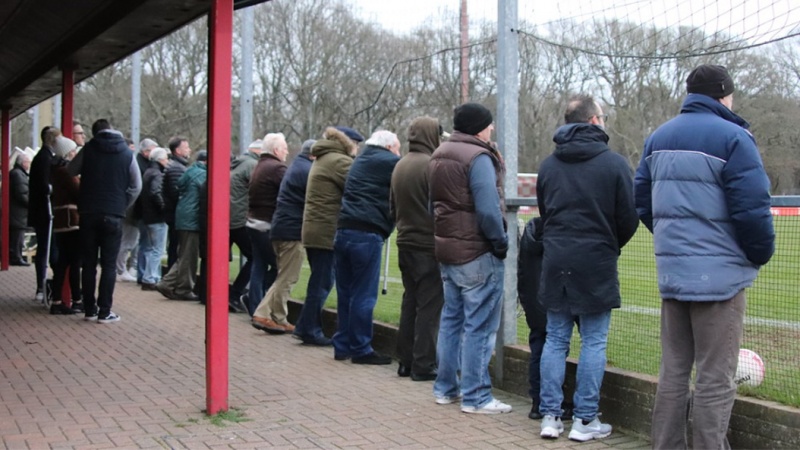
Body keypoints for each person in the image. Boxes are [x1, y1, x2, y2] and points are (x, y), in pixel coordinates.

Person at [634, 64, 775, 450]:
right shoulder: (735, 137)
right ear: (724, 95)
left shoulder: (658, 136)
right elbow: (752, 209)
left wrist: (675, 244)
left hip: (674, 273)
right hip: (720, 280)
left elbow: (642, 202)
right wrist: (759, 253)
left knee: (674, 372)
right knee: (715, 377)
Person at [535, 94, 638, 441]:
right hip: (594, 259)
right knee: (593, 341)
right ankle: (584, 419)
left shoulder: (549, 165)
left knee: (556, 339)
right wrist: (609, 244)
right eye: (603, 116)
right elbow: (628, 217)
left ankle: (551, 416)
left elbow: (545, 213)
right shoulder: (614, 164)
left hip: (557, 257)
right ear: (594, 121)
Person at [428, 103, 510, 414]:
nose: (492, 130)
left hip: (448, 251)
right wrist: (499, 242)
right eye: (489, 125)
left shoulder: (438, 154)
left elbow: (431, 205)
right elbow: (488, 208)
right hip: (477, 252)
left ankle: (446, 388)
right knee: (479, 326)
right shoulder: (478, 157)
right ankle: (476, 396)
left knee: (451, 320)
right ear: (479, 127)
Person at [331, 130, 400, 364]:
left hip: (343, 230)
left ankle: (342, 345)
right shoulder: (387, 161)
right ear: (390, 147)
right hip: (367, 233)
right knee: (364, 294)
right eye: (398, 148)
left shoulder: (361, 159)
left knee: (346, 292)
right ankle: (361, 349)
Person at [293, 126, 363, 346]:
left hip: (315, 228)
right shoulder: (339, 162)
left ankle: (307, 327)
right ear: (349, 143)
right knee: (322, 283)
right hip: (325, 230)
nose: (358, 149)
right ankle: (308, 329)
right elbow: (358, 187)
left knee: (318, 281)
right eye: (357, 145)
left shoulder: (324, 158)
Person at [68, 118, 142, 323]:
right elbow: (136, 186)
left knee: (89, 263)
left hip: (88, 212)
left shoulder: (88, 149)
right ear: (112, 130)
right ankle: (104, 310)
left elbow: (71, 171)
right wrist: (122, 204)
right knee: (109, 265)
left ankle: (89, 309)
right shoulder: (127, 153)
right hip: (113, 213)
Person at [391, 116, 444, 380]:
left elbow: (393, 206)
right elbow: (440, 208)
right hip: (427, 244)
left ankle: (405, 361)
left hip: (405, 242)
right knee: (430, 307)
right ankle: (424, 365)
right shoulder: (431, 165)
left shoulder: (400, 164)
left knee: (409, 301)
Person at [251, 139, 315, 333]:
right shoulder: (298, 170)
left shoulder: (293, 167)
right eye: (285, 148)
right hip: (291, 231)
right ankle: (262, 313)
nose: (287, 152)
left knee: (281, 273)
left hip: (278, 227)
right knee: (287, 277)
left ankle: (280, 317)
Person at [244, 133, 289, 316]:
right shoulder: (277, 168)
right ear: (276, 150)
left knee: (259, 265)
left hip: (253, 223)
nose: (286, 151)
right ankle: (262, 304)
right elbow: (289, 192)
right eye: (285, 148)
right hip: (266, 225)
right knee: (283, 268)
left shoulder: (259, 166)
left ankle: (254, 303)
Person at [156, 150, 206, 301]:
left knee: (184, 254)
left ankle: (172, 284)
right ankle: (178, 287)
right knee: (188, 257)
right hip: (192, 220)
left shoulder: (190, 171)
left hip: (183, 217)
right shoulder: (202, 175)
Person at [49, 136, 84, 315]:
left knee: (63, 261)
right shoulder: (66, 172)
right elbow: (78, 191)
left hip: (61, 220)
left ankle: (57, 300)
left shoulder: (56, 171)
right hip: (71, 220)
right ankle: (77, 299)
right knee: (74, 261)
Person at [228, 139, 263, 313]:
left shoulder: (237, 164)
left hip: (228, 219)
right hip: (240, 220)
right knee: (256, 258)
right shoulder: (252, 165)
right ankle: (235, 295)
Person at [28, 126, 60, 301]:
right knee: (47, 249)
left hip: (41, 212)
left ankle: (43, 286)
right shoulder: (45, 159)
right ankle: (44, 286)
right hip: (45, 213)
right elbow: (44, 186)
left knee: (45, 249)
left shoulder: (42, 157)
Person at [138, 147, 170, 290]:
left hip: (147, 216)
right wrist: (164, 207)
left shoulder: (148, 172)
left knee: (148, 247)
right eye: (165, 158)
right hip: (157, 217)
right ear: (160, 159)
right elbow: (155, 192)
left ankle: (149, 275)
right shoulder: (157, 174)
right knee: (157, 249)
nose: (167, 161)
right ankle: (150, 277)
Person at [163, 137, 191, 270]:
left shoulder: (176, 166)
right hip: (175, 215)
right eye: (186, 147)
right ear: (178, 151)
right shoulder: (176, 168)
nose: (189, 150)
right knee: (176, 248)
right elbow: (177, 193)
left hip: (173, 214)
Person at [9, 149, 32, 266]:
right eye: (28, 162)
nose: (29, 164)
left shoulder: (17, 173)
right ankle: (16, 257)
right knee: (17, 236)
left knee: (17, 236)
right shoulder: (18, 175)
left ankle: (16, 256)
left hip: (17, 212)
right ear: (23, 163)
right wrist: (32, 204)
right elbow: (22, 194)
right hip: (18, 213)